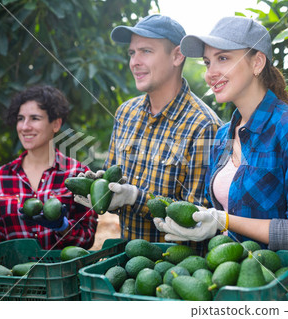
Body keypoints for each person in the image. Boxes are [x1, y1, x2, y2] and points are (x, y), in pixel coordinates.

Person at [154, 17, 288, 301]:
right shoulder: (222, 138)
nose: (210, 73)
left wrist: (223, 220)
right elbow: (222, 216)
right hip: (237, 291)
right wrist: (200, 221)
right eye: (207, 62)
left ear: (257, 63)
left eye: (223, 58)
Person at [75, 14, 222, 255]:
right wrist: (106, 192)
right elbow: (115, 190)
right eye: (132, 53)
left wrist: (134, 198)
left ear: (176, 56)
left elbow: (197, 216)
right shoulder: (126, 114)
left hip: (179, 270)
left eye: (145, 51)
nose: (135, 61)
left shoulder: (203, 126)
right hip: (128, 268)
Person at [0, 85, 98, 250]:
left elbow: (87, 238)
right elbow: (0, 247)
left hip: (63, 274)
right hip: (16, 274)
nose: (24, 126)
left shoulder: (78, 174)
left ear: (56, 124)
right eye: (21, 118)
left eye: (35, 118)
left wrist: (63, 227)